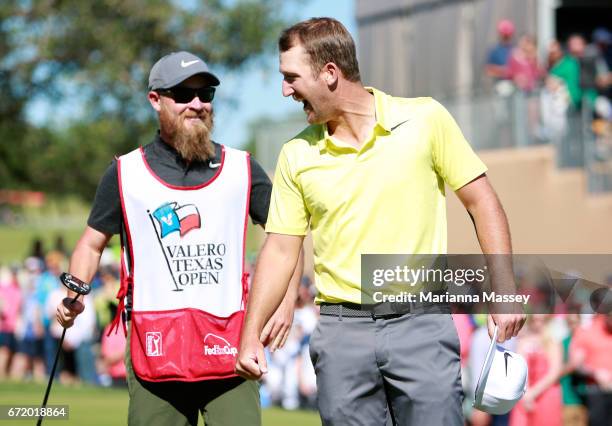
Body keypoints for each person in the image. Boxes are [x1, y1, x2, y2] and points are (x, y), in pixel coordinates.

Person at [236, 17, 525, 426]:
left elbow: (483, 202)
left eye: (291, 77)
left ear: (330, 74)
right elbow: (281, 249)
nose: (285, 90)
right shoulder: (295, 156)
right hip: (340, 335)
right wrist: (251, 334)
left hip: (421, 324)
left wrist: (505, 287)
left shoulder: (425, 120)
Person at [56, 51, 302, 426]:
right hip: (154, 348)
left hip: (230, 346)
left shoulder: (241, 168)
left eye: (206, 94)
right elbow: (92, 243)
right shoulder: (125, 173)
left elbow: (288, 234)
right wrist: (73, 296)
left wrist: (285, 304)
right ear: (155, 100)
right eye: (183, 95)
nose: (197, 104)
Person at [509, 315, 563, 426]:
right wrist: (526, 392)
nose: (537, 323)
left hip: (546, 392)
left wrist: (533, 393)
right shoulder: (523, 341)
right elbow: (519, 369)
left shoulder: (553, 342)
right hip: (524, 392)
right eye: (534, 320)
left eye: (541, 320)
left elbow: (554, 372)